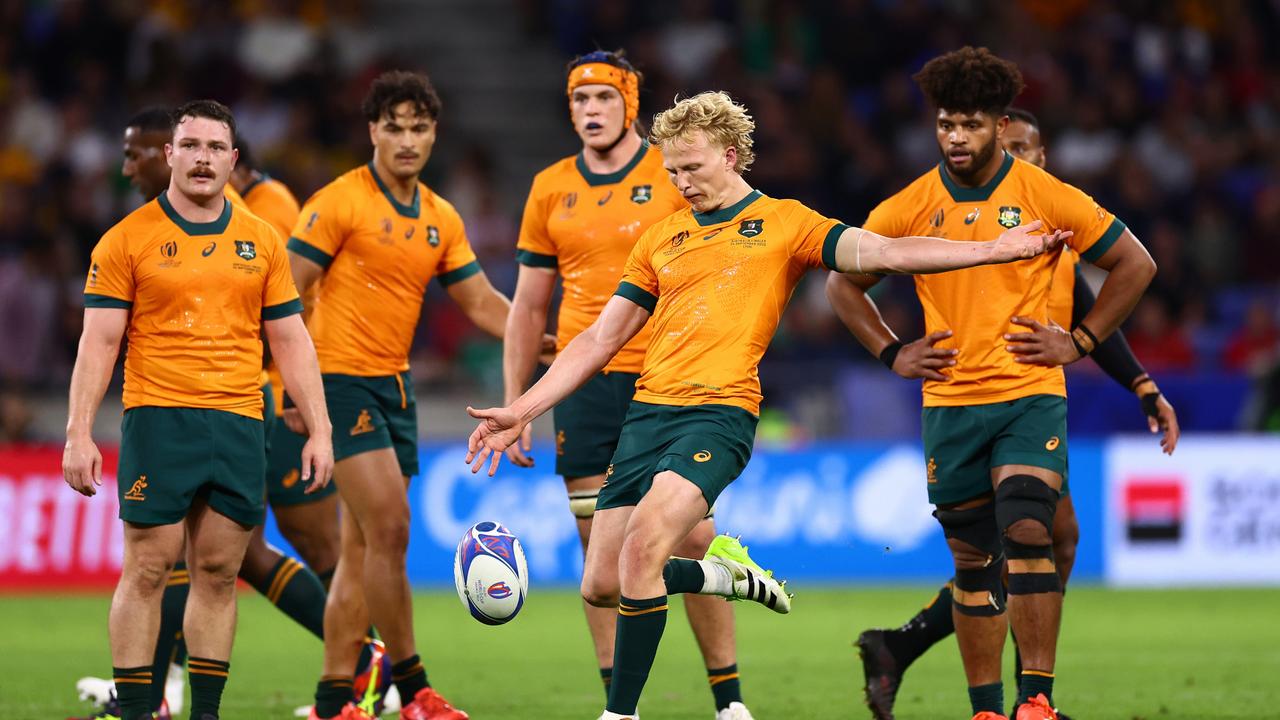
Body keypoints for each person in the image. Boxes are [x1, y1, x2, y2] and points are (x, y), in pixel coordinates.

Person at [465, 90, 1068, 720]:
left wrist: (994, 250)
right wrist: (523, 409)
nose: (682, 182)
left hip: (719, 415)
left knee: (645, 547)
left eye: (692, 167)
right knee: (602, 584)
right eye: (671, 170)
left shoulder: (784, 223)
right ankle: (723, 575)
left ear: (730, 155)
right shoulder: (661, 238)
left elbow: (885, 252)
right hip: (647, 416)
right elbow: (599, 338)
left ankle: (619, 714)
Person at [824, 48, 1158, 720]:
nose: (955, 137)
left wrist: (1081, 341)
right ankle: (985, 709)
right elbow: (841, 281)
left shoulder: (1044, 194)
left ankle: (1035, 700)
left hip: (1028, 395)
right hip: (950, 402)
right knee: (974, 559)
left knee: (1030, 528)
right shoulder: (912, 204)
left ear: (1000, 127)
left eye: (970, 125)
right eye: (946, 123)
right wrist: (892, 352)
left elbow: (1134, 263)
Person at [63, 100, 333, 720]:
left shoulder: (262, 239)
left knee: (216, 572)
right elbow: (99, 342)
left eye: (216, 148)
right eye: (191, 146)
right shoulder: (126, 240)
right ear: (171, 155)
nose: (203, 158)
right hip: (160, 420)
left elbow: (290, 339)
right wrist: (78, 432)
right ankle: (136, 710)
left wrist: (318, 426)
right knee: (148, 569)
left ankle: (205, 713)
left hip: (241, 421)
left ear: (233, 161)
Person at [503, 50, 753, 720]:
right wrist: (518, 402)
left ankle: (728, 701)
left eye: (604, 99)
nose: (590, 112)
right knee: (600, 564)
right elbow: (528, 306)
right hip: (585, 383)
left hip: (669, 380)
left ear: (630, 105)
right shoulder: (550, 186)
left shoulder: (675, 168)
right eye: (579, 100)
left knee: (693, 540)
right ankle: (622, 705)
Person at [287, 70, 538, 720]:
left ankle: (330, 701)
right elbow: (283, 289)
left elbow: (480, 301)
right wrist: (290, 384)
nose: (406, 140)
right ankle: (414, 689)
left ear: (434, 135)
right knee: (392, 527)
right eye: (393, 127)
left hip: (393, 390)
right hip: (338, 384)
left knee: (361, 551)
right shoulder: (338, 202)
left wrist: (550, 337)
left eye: (418, 128)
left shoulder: (439, 216)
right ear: (373, 131)